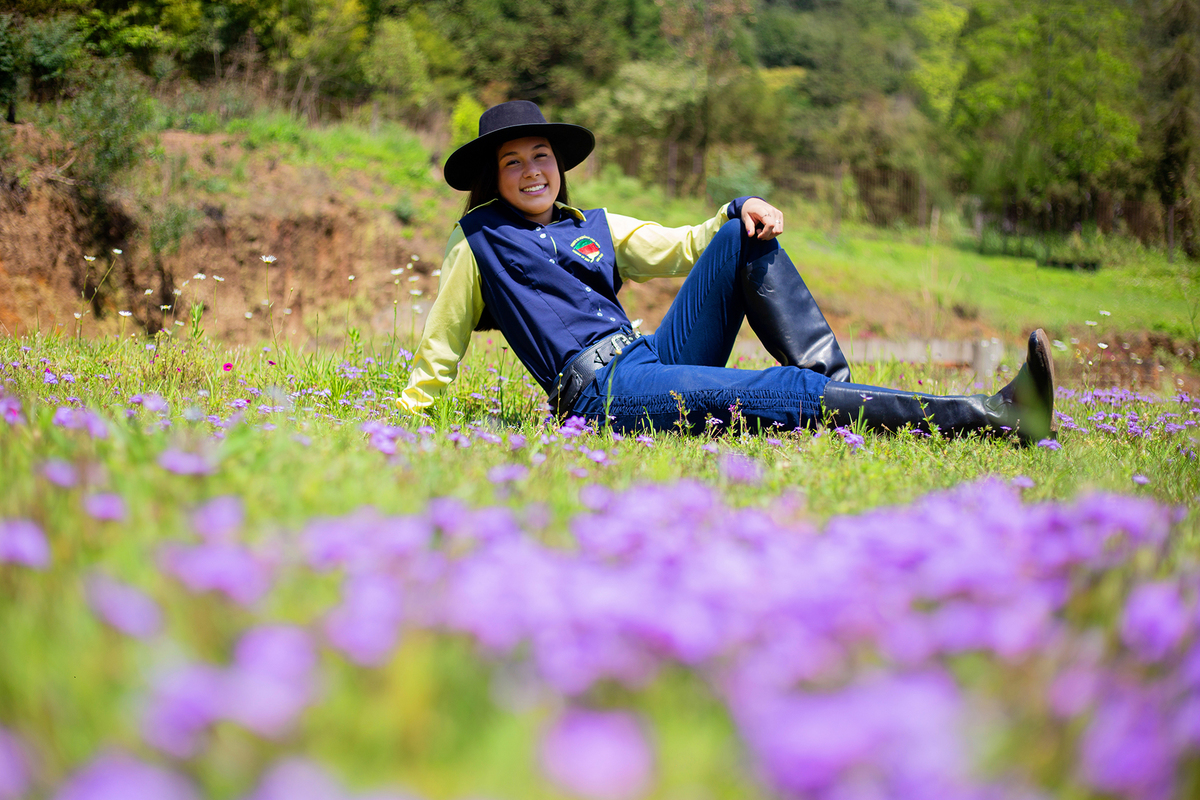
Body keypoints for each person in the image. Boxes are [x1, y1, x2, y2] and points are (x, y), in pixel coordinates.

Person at [398, 100, 1056, 442]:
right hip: (600, 394)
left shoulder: (590, 227)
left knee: (740, 234)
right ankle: (992, 415)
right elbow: (442, 341)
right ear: (495, 175)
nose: (533, 170)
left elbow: (685, 245)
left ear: (558, 164)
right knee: (771, 390)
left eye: (541, 155)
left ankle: (833, 393)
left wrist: (742, 205)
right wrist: (407, 420)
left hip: (648, 356)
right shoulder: (478, 241)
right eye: (513, 162)